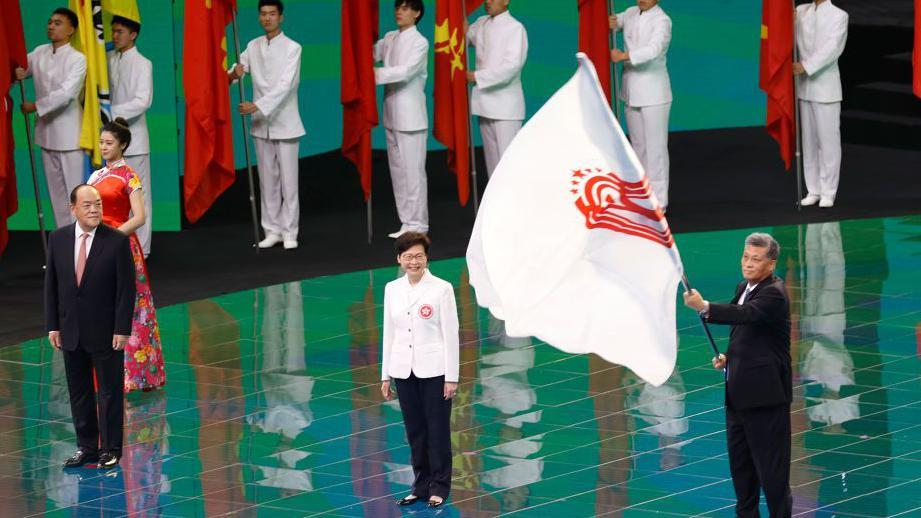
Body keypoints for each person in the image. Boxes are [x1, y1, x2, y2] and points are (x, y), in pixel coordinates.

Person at [683, 232, 792, 517]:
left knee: (772, 474)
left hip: (766, 398)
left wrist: (705, 307)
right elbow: (748, 333)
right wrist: (731, 359)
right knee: (742, 473)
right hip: (738, 395)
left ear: (771, 264)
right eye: (745, 257)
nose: (748, 263)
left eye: (756, 259)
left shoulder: (774, 293)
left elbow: (746, 314)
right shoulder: (744, 286)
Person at [45, 184, 136, 469]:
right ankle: (86, 447)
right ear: (73, 209)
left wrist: (122, 329)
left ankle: (111, 449)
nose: (95, 209)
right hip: (71, 330)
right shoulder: (58, 239)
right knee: (79, 392)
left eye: (98, 204)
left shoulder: (116, 241)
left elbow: (126, 290)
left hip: (106, 332)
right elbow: (52, 286)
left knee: (109, 392)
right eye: (87, 205)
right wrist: (53, 325)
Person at [381, 232, 459, 508]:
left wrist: (451, 376)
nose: (413, 262)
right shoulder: (392, 288)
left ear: (426, 258)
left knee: (437, 431)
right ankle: (420, 485)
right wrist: (385, 374)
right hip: (403, 370)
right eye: (408, 257)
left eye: (418, 256)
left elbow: (451, 334)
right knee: (415, 432)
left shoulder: (441, 289)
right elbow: (389, 333)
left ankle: (440, 486)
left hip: (435, 371)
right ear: (399, 259)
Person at [88, 118, 166, 393]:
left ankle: (138, 374)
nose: (103, 147)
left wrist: (113, 236)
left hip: (120, 245)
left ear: (122, 145)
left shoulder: (129, 176)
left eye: (109, 143)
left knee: (133, 307)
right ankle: (105, 372)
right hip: (96, 244)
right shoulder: (95, 177)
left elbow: (140, 216)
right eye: (101, 142)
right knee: (101, 305)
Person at [228, 0, 305, 250]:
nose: (267, 18)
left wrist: (258, 105)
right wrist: (234, 73)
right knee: (267, 181)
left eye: (272, 14)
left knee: (288, 182)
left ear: (281, 17)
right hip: (261, 124)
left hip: (285, 122)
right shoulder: (253, 46)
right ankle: (272, 230)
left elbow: (287, 85)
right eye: (263, 14)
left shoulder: (293, 47)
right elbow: (237, 69)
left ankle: (290, 231)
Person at [15, 8, 87, 228]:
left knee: (75, 194)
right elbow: (19, 67)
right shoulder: (39, 52)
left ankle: (81, 239)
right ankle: (64, 238)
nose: (51, 26)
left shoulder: (77, 59)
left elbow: (67, 94)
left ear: (71, 30)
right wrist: (17, 71)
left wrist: (36, 106)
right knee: (56, 196)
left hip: (69, 136)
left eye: (58, 23)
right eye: (50, 22)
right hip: (46, 134)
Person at [374, 0, 430, 239]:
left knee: (413, 173)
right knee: (398, 172)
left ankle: (419, 224)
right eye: (398, 8)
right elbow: (369, 52)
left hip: (411, 117)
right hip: (391, 114)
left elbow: (405, 71)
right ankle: (407, 221)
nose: (399, 12)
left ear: (416, 13)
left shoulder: (420, 42)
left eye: (405, 8)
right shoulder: (389, 38)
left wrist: (373, 74)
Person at [609, 0, 673, 209]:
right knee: (638, 146)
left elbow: (654, 49)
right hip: (631, 90)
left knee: (655, 148)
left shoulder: (662, 20)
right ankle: (641, 195)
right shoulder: (630, 12)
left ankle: (659, 201)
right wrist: (610, 21)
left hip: (654, 92)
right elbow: (614, 21)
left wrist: (624, 56)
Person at [794, 0, 848, 208]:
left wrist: (805, 66)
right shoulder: (801, 11)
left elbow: (832, 49)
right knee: (808, 141)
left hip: (826, 88)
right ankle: (813, 189)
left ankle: (828, 191)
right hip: (804, 87)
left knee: (828, 143)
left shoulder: (839, 15)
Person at [108, 15, 154, 258]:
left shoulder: (143, 63)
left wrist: (109, 113)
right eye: (113, 31)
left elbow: (142, 101)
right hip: (111, 141)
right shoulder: (109, 59)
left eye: (120, 32)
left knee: (139, 196)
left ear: (133, 34)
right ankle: (121, 245)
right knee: (116, 195)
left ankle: (142, 249)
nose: (115, 36)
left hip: (134, 140)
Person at [466, 0, 528, 178]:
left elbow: (511, 67)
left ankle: (513, 197)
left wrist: (476, 76)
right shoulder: (481, 23)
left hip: (505, 107)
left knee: (508, 165)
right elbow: (463, 39)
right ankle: (494, 197)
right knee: (493, 167)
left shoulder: (515, 28)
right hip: (484, 104)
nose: (488, 2)